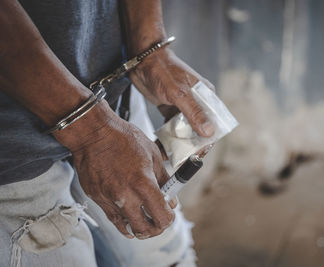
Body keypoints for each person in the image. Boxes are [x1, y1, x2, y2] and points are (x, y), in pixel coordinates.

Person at [0, 0, 215, 266]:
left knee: (166, 257)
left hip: (114, 103)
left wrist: (149, 44)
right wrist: (92, 132)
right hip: (13, 152)